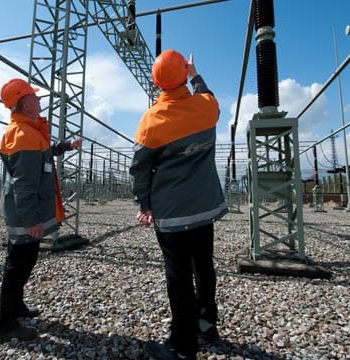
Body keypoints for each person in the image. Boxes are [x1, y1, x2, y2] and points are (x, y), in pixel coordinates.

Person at [130, 50, 228, 360]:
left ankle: (183, 347)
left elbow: (139, 169)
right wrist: (195, 73)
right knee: (204, 267)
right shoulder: (207, 109)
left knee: (179, 276)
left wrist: (144, 204)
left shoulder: (151, 121)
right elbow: (207, 93)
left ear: (155, 81)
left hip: (171, 214)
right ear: (185, 74)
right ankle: (206, 323)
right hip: (204, 210)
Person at [0, 78, 82, 341]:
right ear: (24, 103)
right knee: (18, 266)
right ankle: (4, 325)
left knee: (23, 261)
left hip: (26, 215)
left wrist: (66, 147)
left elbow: (44, 154)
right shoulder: (23, 135)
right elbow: (25, 185)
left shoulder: (29, 132)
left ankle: (16, 307)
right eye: (34, 96)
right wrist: (32, 220)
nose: (39, 99)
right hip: (25, 217)